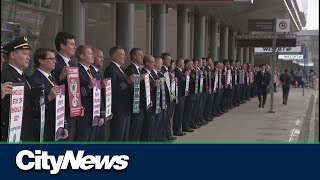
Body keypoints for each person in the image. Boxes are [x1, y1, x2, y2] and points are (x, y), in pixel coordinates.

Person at [1, 36, 36, 142]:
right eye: (24, 54)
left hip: (26, 130)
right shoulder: (6, 75)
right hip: (15, 132)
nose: (28, 57)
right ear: (13, 55)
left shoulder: (25, 77)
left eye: (28, 54)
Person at [30, 48, 68, 141]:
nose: (55, 61)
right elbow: (34, 108)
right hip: (45, 129)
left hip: (57, 127)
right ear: (41, 61)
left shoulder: (53, 78)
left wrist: (64, 125)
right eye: (51, 59)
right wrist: (49, 97)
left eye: (54, 59)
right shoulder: (35, 80)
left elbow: (60, 103)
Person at [103, 46, 135, 141]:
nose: (124, 57)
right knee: (117, 136)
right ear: (114, 55)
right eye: (122, 55)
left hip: (125, 107)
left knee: (124, 136)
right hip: (118, 109)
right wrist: (127, 82)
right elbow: (112, 89)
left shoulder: (121, 69)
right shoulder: (111, 69)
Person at [51, 32, 78, 141]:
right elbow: (50, 84)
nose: (74, 47)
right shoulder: (55, 62)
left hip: (73, 109)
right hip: (61, 111)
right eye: (71, 44)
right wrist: (61, 77)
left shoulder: (72, 63)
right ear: (62, 45)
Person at [124, 48, 145, 141]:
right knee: (133, 131)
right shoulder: (130, 69)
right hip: (133, 104)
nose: (142, 57)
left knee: (138, 130)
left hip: (140, 103)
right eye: (140, 55)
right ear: (134, 56)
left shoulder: (138, 70)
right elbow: (130, 87)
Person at [91, 48, 111, 141]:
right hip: (93, 114)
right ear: (93, 58)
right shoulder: (90, 71)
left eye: (103, 57)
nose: (103, 59)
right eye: (100, 57)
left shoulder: (97, 72)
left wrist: (107, 111)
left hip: (101, 112)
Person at [173, 58, 186, 136]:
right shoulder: (177, 71)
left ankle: (178, 128)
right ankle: (176, 129)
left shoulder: (181, 71)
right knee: (178, 113)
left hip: (182, 94)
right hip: (179, 94)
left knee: (180, 113)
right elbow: (179, 83)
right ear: (178, 64)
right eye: (182, 63)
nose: (184, 64)